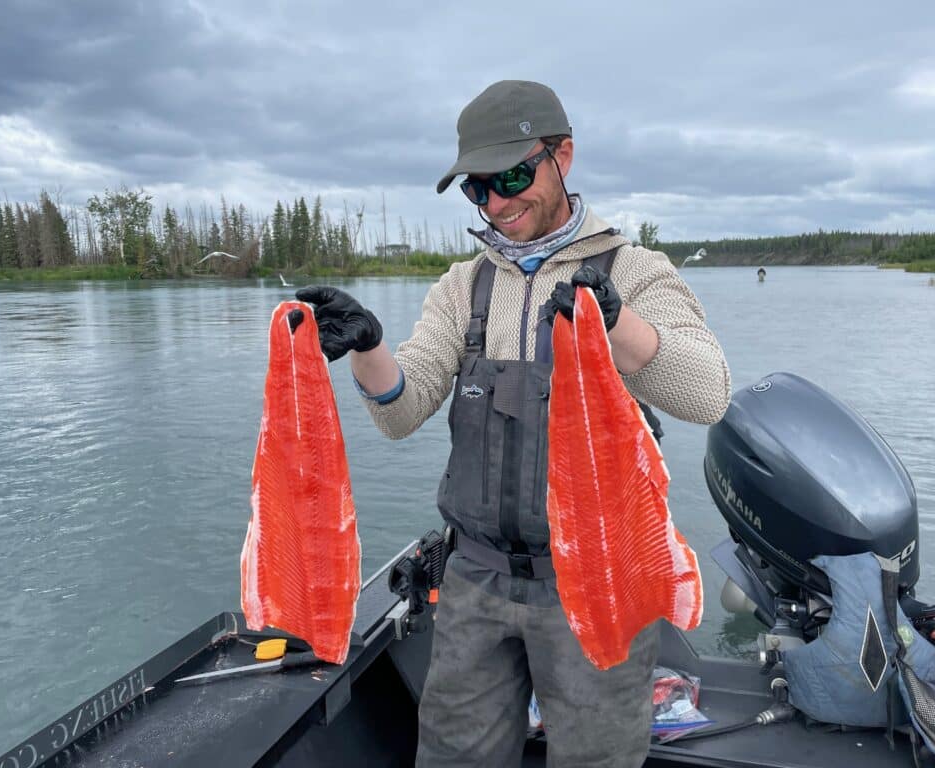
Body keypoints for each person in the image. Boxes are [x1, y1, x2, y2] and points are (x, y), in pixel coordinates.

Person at [293, 80, 731, 768]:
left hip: (599, 581)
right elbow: (403, 410)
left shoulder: (636, 270)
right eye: (479, 188)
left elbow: (708, 393)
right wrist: (368, 348)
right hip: (475, 580)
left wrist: (617, 323)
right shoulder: (463, 286)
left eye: (514, 177)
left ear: (563, 156)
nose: (497, 202)